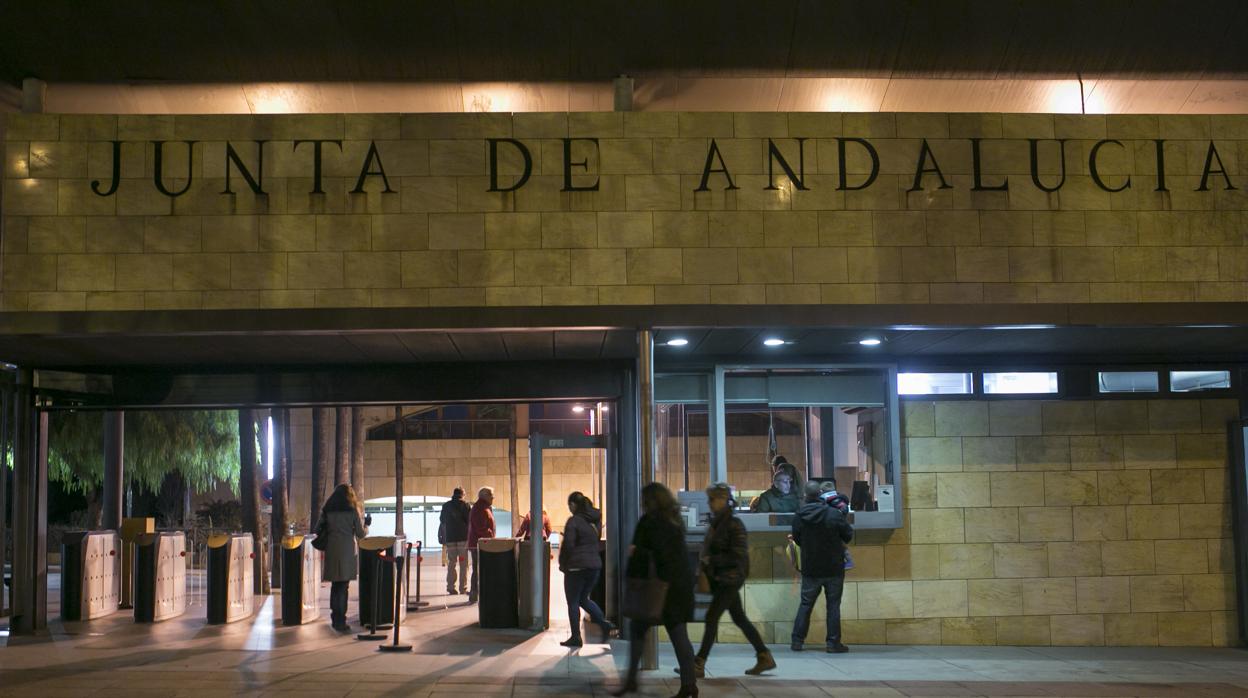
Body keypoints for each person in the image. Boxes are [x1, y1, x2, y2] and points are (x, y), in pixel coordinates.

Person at [613, 482, 697, 698]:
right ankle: (689, 686)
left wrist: (634, 554)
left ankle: (631, 681)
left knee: (640, 631)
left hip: (656, 589)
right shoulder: (675, 520)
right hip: (678, 587)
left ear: (650, 501)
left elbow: (643, 553)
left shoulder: (650, 522)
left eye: (644, 500)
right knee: (679, 636)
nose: (642, 503)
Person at [693, 483, 775, 676]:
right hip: (722, 578)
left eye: (713, 499)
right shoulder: (718, 522)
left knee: (711, 617)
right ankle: (764, 656)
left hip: (730, 578)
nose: (710, 503)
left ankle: (698, 663)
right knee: (739, 618)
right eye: (710, 499)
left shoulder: (733, 524)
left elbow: (737, 555)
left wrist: (711, 560)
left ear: (723, 500)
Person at [790, 480, 854, 653]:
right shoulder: (834, 514)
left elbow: (797, 539)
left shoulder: (799, 516)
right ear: (820, 495)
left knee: (805, 604)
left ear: (805, 496)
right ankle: (833, 644)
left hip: (811, 567)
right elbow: (848, 535)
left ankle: (797, 641)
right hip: (833, 568)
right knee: (833, 606)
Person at [557, 492, 615, 648]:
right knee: (584, 599)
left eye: (569, 504)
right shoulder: (594, 521)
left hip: (576, 567)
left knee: (573, 602)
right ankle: (604, 624)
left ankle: (576, 637)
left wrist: (562, 563)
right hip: (594, 566)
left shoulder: (574, 521)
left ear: (574, 505)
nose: (569, 508)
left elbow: (568, 545)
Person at [317, 483, 369, 632]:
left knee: (335, 585)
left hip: (332, 550)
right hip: (346, 551)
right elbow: (360, 534)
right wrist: (367, 526)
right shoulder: (352, 511)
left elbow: (317, 529)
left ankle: (335, 618)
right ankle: (341, 621)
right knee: (343, 587)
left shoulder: (327, 511)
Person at [466, 486, 496, 604]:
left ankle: (478, 593)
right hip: (480, 544)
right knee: (478, 569)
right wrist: (490, 535)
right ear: (485, 496)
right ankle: (475, 593)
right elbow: (480, 527)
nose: (493, 498)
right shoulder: (480, 508)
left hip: (482, 543)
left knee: (479, 569)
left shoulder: (484, 507)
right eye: (491, 495)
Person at [440, 487, 471, 595]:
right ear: (463, 494)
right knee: (463, 564)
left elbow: (442, 520)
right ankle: (463, 588)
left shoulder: (446, 505)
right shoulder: (466, 505)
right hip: (463, 539)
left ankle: (451, 587)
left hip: (450, 539)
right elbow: (469, 522)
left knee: (451, 563)